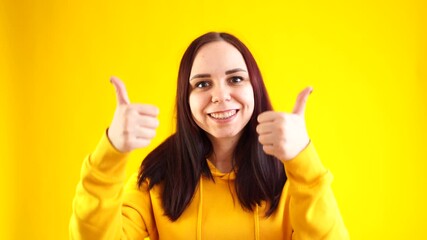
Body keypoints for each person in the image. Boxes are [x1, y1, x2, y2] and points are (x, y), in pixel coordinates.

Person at [70, 32, 349, 239]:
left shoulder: (293, 176)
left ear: (255, 88)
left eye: (235, 79)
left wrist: (304, 160)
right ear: (185, 98)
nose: (220, 96)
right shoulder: (157, 177)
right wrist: (111, 150)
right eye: (203, 84)